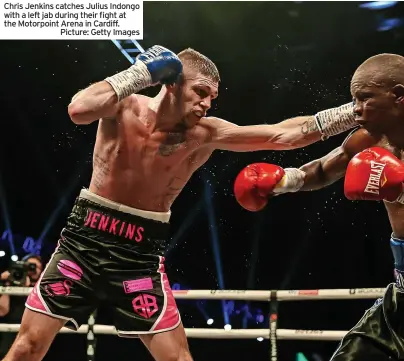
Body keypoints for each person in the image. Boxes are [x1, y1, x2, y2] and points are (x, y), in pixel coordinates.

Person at [2, 45, 359, 361]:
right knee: (27, 348)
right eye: (200, 92)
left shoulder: (205, 134)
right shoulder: (124, 106)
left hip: (140, 256)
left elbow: (285, 135)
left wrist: (355, 112)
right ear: (171, 82)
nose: (206, 104)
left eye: (212, 98)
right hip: (83, 243)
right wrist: (139, 73)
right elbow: (79, 109)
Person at [234, 53, 404, 360]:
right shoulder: (367, 140)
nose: (356, 110)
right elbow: (324, 170)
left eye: (365, 99)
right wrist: (285, 180)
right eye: (354, 100)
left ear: (399, 95)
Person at [0, 255, 43, 359]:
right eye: (30, 266)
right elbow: (2, 311)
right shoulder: (12, 282)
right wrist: (7, 284)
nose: (33, 269)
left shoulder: (43, 287)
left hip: (33, 335)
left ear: (41, 271)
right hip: (9, 334)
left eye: (36, 267)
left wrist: (29, 289)